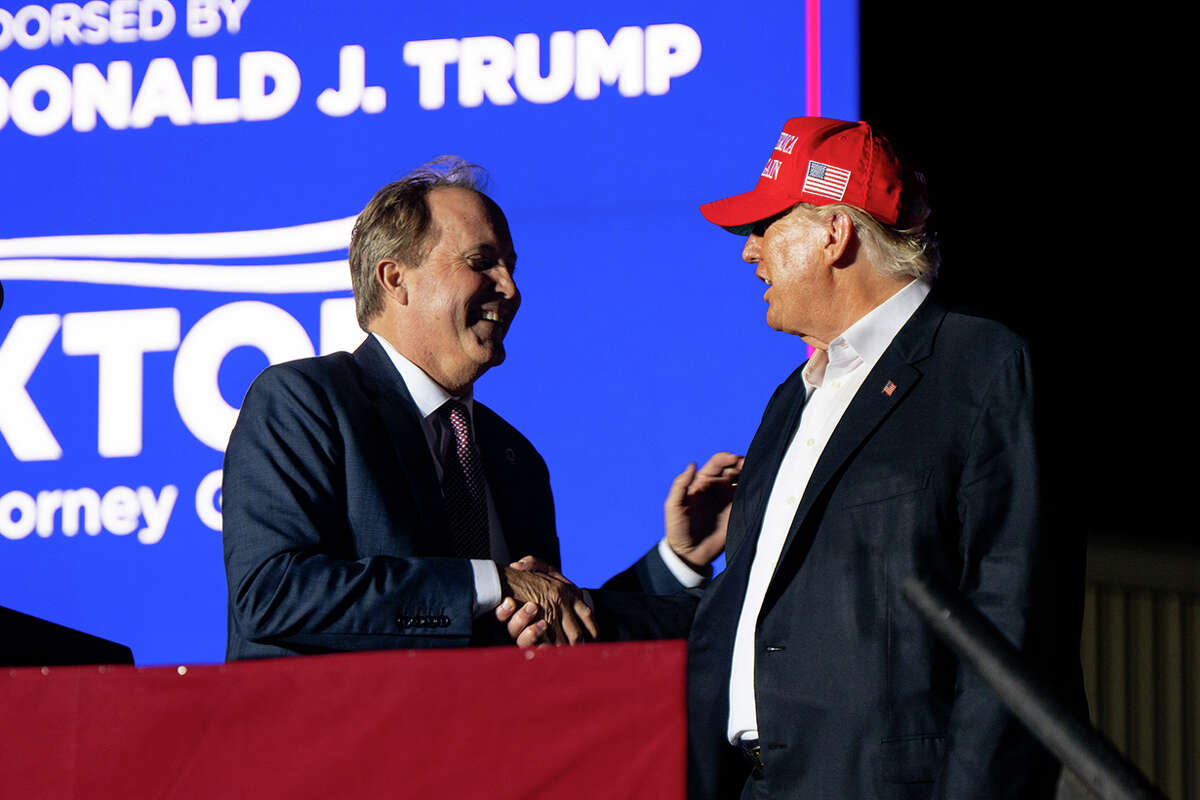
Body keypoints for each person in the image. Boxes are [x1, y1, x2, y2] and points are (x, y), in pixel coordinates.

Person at [510, 117, 1083, 799]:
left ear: (835, 232)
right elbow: (747, 616)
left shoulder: (979, 367)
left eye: (765, 228)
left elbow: (1012, 618)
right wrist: (579, 608)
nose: (749, 253)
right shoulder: (794, 398)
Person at [223, 157, 737, 659]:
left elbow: (551, 618)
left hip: (487, 737)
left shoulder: (511, 454)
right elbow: (273, 593)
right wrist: (492, 581)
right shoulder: (305, 400)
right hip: (334, 741)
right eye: (481, 263)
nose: (510, 290)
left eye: (510, 267)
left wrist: (677, 561)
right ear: (395, 278)